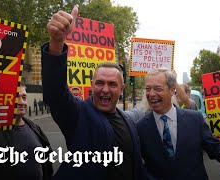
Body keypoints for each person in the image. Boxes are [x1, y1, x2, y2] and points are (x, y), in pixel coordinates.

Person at [42, 7, 147, 180]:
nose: (105, 89)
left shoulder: (128, 120)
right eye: (100, 83)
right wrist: (56, 42)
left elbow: (134, 165)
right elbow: (56, 93)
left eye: (112, 84)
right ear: (92, 85)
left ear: (121, 90)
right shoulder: (78, 113)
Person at [137, 67, 220, 179]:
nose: (151, 94)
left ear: (172, 90)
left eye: (157, 88)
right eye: (148, 89)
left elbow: (212, 144)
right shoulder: (140, 127)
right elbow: (139, 166)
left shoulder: (195, 119)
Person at [0, 85, 53, 180]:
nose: (22, 102)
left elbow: (47, 161)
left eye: (24, 97)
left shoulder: (35, 128)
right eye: (16, 97)